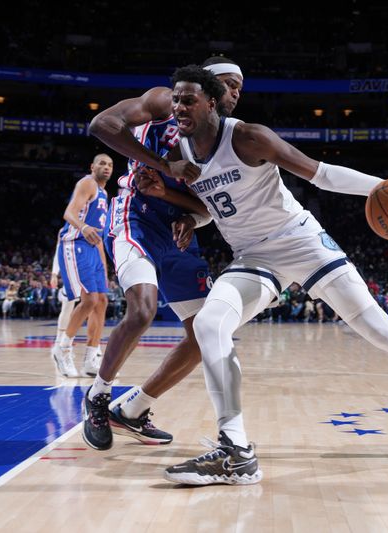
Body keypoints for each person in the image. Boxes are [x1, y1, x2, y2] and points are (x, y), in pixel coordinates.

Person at [160, 66, 388, 485]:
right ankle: (236, 451)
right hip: (253, 256)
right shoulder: (176, 152)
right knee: (209, 322)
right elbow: (217, 205)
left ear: (210, 102)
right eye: (176, 99)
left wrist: (380, 187)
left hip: (300, 241)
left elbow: (321, 173)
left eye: (189, 99)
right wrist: (190, 217)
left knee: (377, 328)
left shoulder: (248, 136)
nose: (180, 106)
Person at [80, 58, 244, 451]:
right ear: (203, 87)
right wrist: (161, 164)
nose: (234, 93)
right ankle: (99, 396)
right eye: (227, 84)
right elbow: (101, 125)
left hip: (176, 233)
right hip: (135, 216)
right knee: (142, 310)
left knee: (204, 335)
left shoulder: (225, 142)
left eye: (239, 87)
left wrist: (184, 210)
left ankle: (134, 408)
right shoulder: (163, 102)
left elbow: (206, 209)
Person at [50, 154, 113, 378]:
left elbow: (99, 238)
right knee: (89, 300)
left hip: (92, 250)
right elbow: (69, 213)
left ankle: (90, 358)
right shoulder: (87, 183)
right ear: (92, 166)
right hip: (74, 243)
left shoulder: (105, 194)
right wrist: (84, 227)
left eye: (110, 165)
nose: (106, 167)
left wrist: (104, 268)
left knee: (102, 301)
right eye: (102, 163)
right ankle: (63, 348)